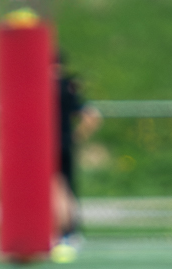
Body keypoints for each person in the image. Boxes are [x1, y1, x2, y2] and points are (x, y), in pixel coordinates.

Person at [53, 52, 101, 246]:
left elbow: (92, 116)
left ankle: (65, 232)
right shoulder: (68, 86)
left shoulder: (47, 87)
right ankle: (71, 232)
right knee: (66, 188)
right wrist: (75, 137)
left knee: (57, 188)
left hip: (52, 145)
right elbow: (91, 116)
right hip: (64, 143)